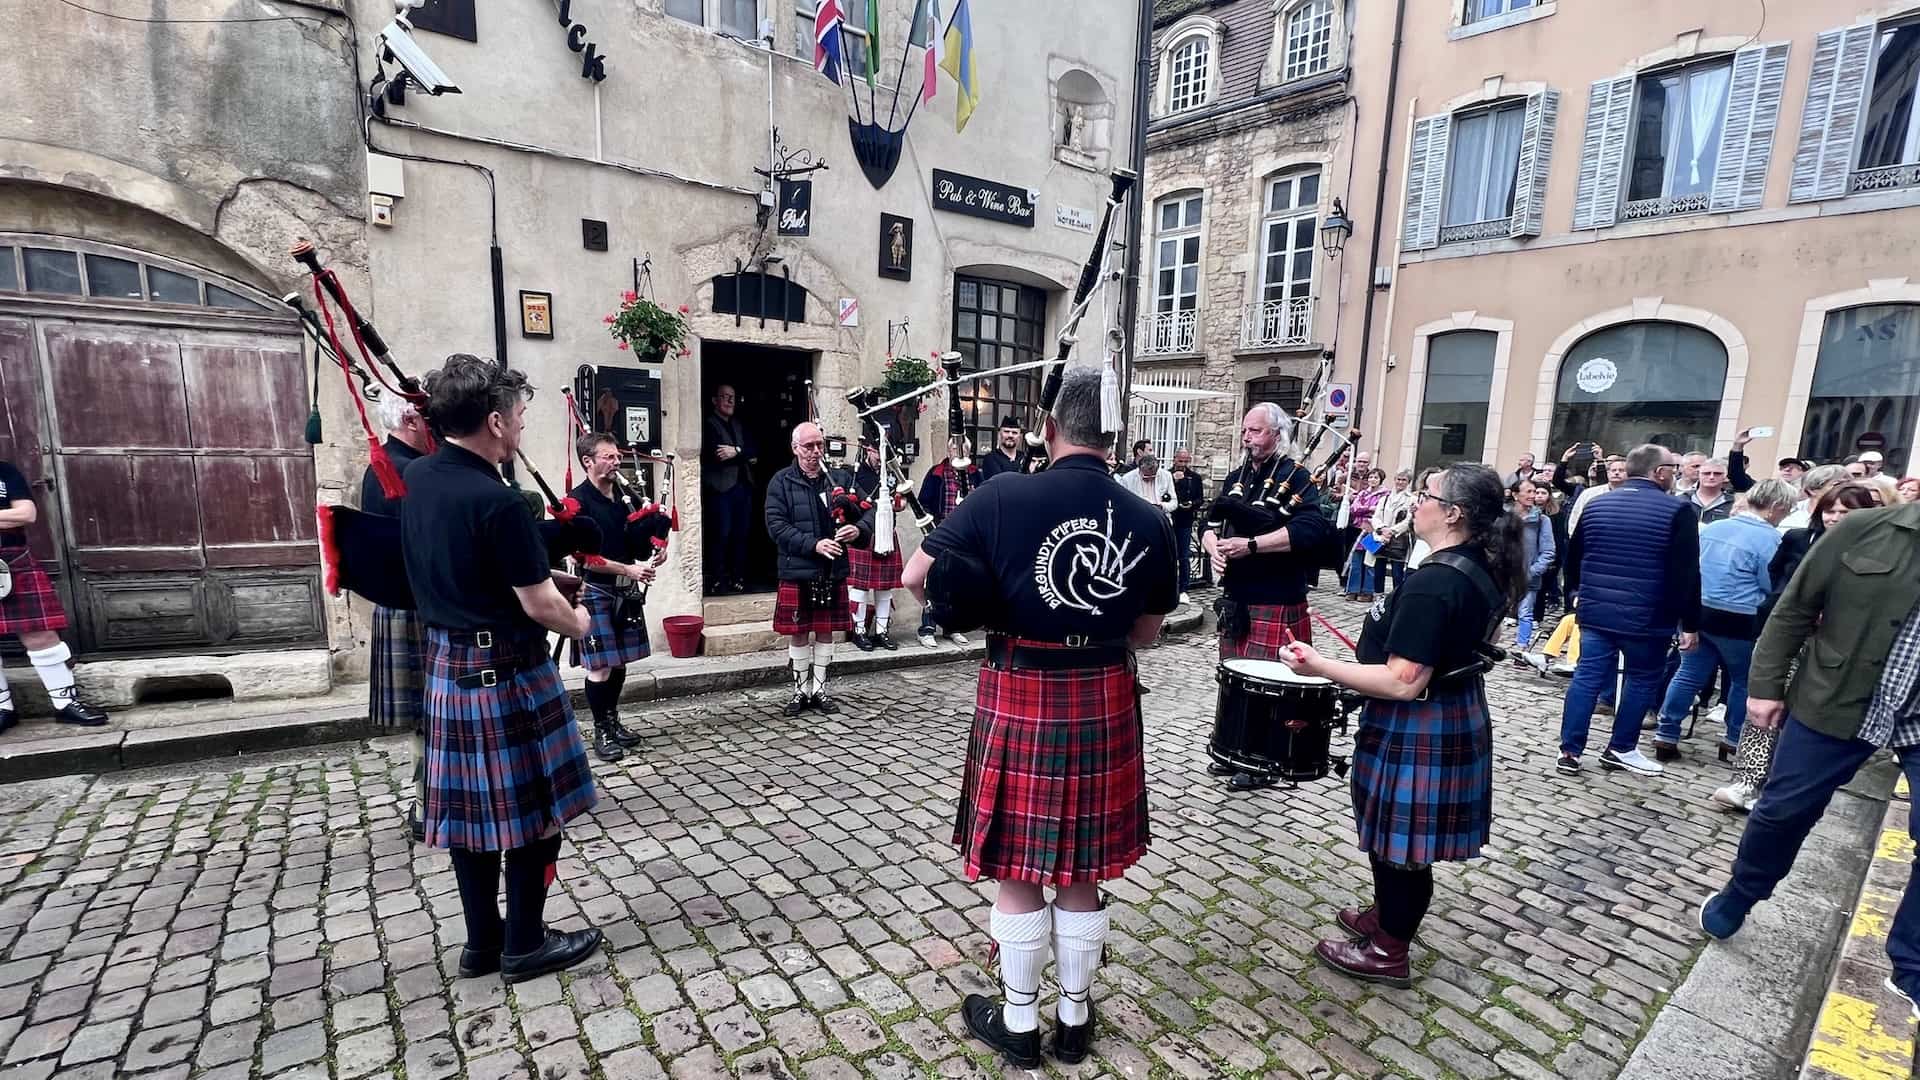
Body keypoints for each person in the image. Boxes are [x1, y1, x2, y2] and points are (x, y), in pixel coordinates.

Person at [901, 367, 1177, 1068]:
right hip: (1103, 692)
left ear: (1049, 429)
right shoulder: (1150, 518)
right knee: (1082, 870)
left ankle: (1020, 1023)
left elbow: (912, 579)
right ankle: (1075, 1018)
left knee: (1019, 869)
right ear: (1111, 439)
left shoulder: (1000, 495)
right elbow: (1146, 634)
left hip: (1021, 689)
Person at [1278, 463, 1521, 987]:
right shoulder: (1475, 562)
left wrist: (1318, 665)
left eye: (1426, 494)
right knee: (1397, 840)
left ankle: (1389, 949)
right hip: (1447, 711)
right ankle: (1387, 917)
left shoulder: (1438, 582)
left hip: (1419, 719)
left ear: (1453, 513)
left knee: (1401, 847)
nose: (1415, 501)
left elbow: (1403, 680)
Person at [401, 355, 601, 983]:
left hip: (446, 663)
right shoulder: (500, 499)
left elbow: (473, 566)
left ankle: (481, 944)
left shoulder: (421, 478)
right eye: (517, 417)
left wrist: (543, 573)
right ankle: (525, 944)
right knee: (536, 818)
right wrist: (582, 624)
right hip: (507, 668)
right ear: (493, 421)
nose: (520, 427)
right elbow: (539, 604)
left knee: (470, 821)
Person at [1698, 498, 1920, 1016]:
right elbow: (1795, 605)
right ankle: (1743, 891)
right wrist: (1765, 686)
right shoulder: (1871, 528)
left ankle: (1910, 967)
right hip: (1840, 696)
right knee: (1783, 810)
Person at [1716, 482, 1885, 811]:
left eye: (1846, 512)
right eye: (1830, 510)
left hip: (1838, 649)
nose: (1835, 518)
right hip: (1790, 636)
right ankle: (1746, 781)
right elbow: (1776, 576)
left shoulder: (1875, 551)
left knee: (1804, 721)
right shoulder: (1799, 539)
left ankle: (1781, 787)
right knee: (1766, 706)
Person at [1204, 405, 1333, 789]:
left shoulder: (1298, 479)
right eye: (1245, 430)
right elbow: (1209, 524)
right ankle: (1233, 747)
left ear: (1278, 435)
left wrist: (1254, 545)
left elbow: (1312, 531)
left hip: (1276, 597)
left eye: (1256, 431)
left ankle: (1260, 760)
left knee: (1270, 681)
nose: (1247, 438)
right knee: (1236, 677)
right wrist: (1212, 547)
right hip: (1237, 597)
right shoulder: (1236, 478)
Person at [1556, 444, 1701, 777]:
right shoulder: (1678, 511)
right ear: (1659, 472)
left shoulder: (1597, 504)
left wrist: (1576, 596)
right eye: (1672, 469)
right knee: (1640, 680)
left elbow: (1573, 557)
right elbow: (1687, 573)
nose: (1674, 474)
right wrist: (1690, 623)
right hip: (1648, 616)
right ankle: (1621, 747)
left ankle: (1570, 751)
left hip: (1597, 611)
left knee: (1586, 678)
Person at [1649, 480, 1796, 763]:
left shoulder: (1714, 528)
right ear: (1775, 508)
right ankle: (1733, 738)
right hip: (1739, 617)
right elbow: (1770, 583)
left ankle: (1667, 732)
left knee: (1689, 673)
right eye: (1785, 510)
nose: (1784, 516)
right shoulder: (1771, 540)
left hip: (1699, 610)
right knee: (1743, 680)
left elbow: (1691, 567)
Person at [767, 421, 874, 716]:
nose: (816, 452)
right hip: (796, 569)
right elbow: (776, 526)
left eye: (820, 446)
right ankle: (800, 691)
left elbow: (870, 510)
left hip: (832, 570)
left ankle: (820, 690)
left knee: (826, 632)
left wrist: (858, 529)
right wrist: (814, 545)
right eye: (809, 446)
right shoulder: (781, 481)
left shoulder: (840, 478)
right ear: (795, 448)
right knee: (799, 632)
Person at [364, 391, 433, 837]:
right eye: (430, 421)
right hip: (417, 603)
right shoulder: (413, 471)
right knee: (432, 714)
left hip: (398, 602)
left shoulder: (381, 465)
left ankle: (428, 803)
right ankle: (431, 806)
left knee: (423, 719)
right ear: (411, 419)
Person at [567, 434, 659, 763]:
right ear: (588, 462)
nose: (616, 462)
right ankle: (601, 729)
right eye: (608, 457)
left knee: (618, 661)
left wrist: (654, 553)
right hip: (594, 590)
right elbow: (582, 557)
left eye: (617, 456)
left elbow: (640, 540)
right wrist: (629, 570)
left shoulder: (625, 495)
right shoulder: (576, 502)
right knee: (601, 667)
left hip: (624, 590)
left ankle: (613, 719)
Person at [0, 460, 108, 734]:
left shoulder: (5, 471)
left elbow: (26, 514)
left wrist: (14, 515)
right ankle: (3, 709)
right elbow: (14, 515)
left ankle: (66, 704)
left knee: (41, 635)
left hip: (12, 559)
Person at [917, 437, 983, 647]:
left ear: (968, 452)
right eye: (954, 447)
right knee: (932, 581)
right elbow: (923, 502)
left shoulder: (974, 473)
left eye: (962, 448)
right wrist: (929, 526)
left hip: (965, 535)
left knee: (957, 583)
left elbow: (984, 502)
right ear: (948, 449)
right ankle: (927, 628)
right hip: (940, 533)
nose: (958, 450)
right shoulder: (936, 472)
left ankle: (952, 627)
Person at [848, 439, 904, 651]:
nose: (881, 459)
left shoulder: (893, 472)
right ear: (869, 450)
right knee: (860, 586)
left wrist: (899, 503)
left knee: (884, 587)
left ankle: (881, 631)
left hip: (887, 532)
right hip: (864, 534)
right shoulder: (856, 473)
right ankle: (859, 630)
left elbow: (903, 502)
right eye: (878, 453)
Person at [702, 385, 755, 595]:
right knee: (720, 535)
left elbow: (754, 451)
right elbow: (716, 455)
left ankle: (738, 577)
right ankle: (717, 579)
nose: (729, 401)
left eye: (732, 397)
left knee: (741, 535)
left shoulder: (740, 425)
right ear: (715, 400)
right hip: (720, 489)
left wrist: (737, 451)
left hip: (743, 487)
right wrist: (743, 454)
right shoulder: (708, 425)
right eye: (724, 397)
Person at [1511, 478, 1556, 652]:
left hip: (1528, 577)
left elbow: (1548, 552)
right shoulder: (1505, 518)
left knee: (1525, 613)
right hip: (1503, 576)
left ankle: (1522, 649)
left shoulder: (1542, 520)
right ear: (1516, 495)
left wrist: (1532, 572)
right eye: (1528, 491)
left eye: (1535, 492)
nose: (1533, 495)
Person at [1343, 468, 1389, 602]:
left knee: (1370, 562)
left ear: (1381, 479)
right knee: (1356, 561)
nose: (1372, 480)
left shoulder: (1385, 494)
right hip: (1359, 529)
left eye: (1375, 477)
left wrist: (1366, 513)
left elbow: (1380, 511)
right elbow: (1354, 509)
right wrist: (1368, 509)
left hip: (1374, 531)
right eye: (1370, 477)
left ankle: (1368, 591)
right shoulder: (1362, 493)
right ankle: (1352, 589)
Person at [1371, 469, 1416, 595]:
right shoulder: (1385, 498)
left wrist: (1392, 531)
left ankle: (1397, 597)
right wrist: (1382, 528)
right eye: (1398, 479)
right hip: (1382, 538)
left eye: (1404, 480)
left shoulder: (1412, 499)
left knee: (1397, 572)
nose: (1400, 482)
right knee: (1378, 569)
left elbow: (1409, 520)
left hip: (1399, 539)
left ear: (1408, 482)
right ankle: (1378, 597)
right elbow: (1376, 516)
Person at [1169, 449, 1206, 603]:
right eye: (1180, 461)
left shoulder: (1195, 477)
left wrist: (1192, 504)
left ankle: (1183, 588)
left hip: (1185, 520)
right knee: (1168, 555)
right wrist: (1175, 481)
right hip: (1170, 519)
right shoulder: (1166, 475)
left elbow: (1200, 499)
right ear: (1174, 459)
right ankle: (1168, 587)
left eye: (1186, 461)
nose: (1183, 465)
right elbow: (1163, 494)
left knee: (1184, 555)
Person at [1779, 463, 1848, 533]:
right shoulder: (1787, 512)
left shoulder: (1853, 513)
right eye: (1838, 485)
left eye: (1848, 485)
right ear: (1812, 490)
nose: (1846, 489)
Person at [1687, 458, 1735, 524]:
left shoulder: (1733, 504)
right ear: (1699, 475)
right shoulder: (1682, 499)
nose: (1711, 477)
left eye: (1717, 474)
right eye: (1706, 473)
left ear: (1725, 477)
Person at [979, 416, 1028, 481]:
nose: (1010, 435)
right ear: (999, 434)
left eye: (1014, 433)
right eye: (1006, 431)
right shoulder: (991, 458)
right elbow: (999, 482)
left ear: (1019, 437)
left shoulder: (1025, 457)